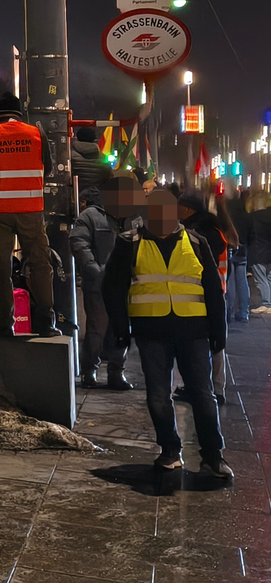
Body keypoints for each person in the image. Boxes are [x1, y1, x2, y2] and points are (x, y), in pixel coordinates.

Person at [102, 189, 231, 479]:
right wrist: (121, 330)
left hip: (193, 332)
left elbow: (213, 289)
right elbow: (113, 288)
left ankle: (213, 455)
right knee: (159, 396)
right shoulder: (129, 243)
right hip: (152, 333)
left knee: (203, 395)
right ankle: (169, 450)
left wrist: (218, 331)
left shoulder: (196, 242)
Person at [0, 93, 58, 336]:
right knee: (40, 263)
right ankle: (46, 323)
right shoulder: (36, 134)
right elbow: (46, 169)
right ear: (19, 114)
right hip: (31, 210)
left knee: (0, 267)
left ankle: (5, 324)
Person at [71, 181, 132, 390]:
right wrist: (94, 270)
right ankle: (89, 371)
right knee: (97, 329)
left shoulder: (132, 217)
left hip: (125, 284)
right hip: (99, 283)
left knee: (121, 329)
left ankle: (116, 372)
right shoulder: (90, 216)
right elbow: (79, 242)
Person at [179, 189, 228, 405]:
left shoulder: (195, 233)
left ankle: (207, 389)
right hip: (215, 292)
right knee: (215, 342)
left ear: (188, 209)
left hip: (200, 293)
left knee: (203, 343)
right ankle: (215, 389)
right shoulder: (214, 229)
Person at [226, 188, 252, 322]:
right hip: (243, 250)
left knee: (229, 281)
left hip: (230, 248)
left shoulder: (227, 215)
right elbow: (251, 234)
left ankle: (229, 312)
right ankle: (243, 312)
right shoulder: (246, 215)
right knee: (242, 281)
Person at [245, 190, 271, 314]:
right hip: (269, 251)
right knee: (269, 277)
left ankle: (266, 303)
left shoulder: (252, 217)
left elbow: (248, 235)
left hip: (257, 250)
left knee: (260, 279)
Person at [70, 127, 112, 193]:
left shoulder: (69, 157)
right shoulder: (103, 158)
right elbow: (108, 179)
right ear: (94, 139)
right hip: (96, 197)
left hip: (75, 196)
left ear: (77, 137)